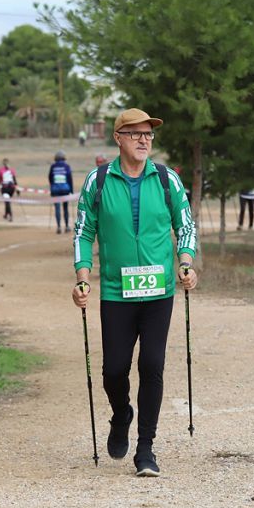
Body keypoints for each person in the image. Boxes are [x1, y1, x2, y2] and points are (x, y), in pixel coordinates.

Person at [71, 108, 198, 477]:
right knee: (114, 370)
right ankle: (122, 413)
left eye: (149, 134)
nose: (144, 140)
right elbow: (83, 233)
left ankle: (146, 449)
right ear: (118, 138)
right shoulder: (97, 181)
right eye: (136, 133)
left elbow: (185, 224)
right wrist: (82, 276)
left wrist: (185, 261)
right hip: (115, 291)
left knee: (152, 365)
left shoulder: (165, 179)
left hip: (159, 290)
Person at [48, 150, 74, 234]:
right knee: (65, 208)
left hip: (55, 190)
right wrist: (71, 191)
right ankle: (66, 226)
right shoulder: (67, 166)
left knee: (57, 208)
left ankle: (59, 227)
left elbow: (50, 178)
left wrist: (52, 188)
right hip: (65, 189)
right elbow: (70, 178)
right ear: (64, 158)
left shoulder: (53, 166)